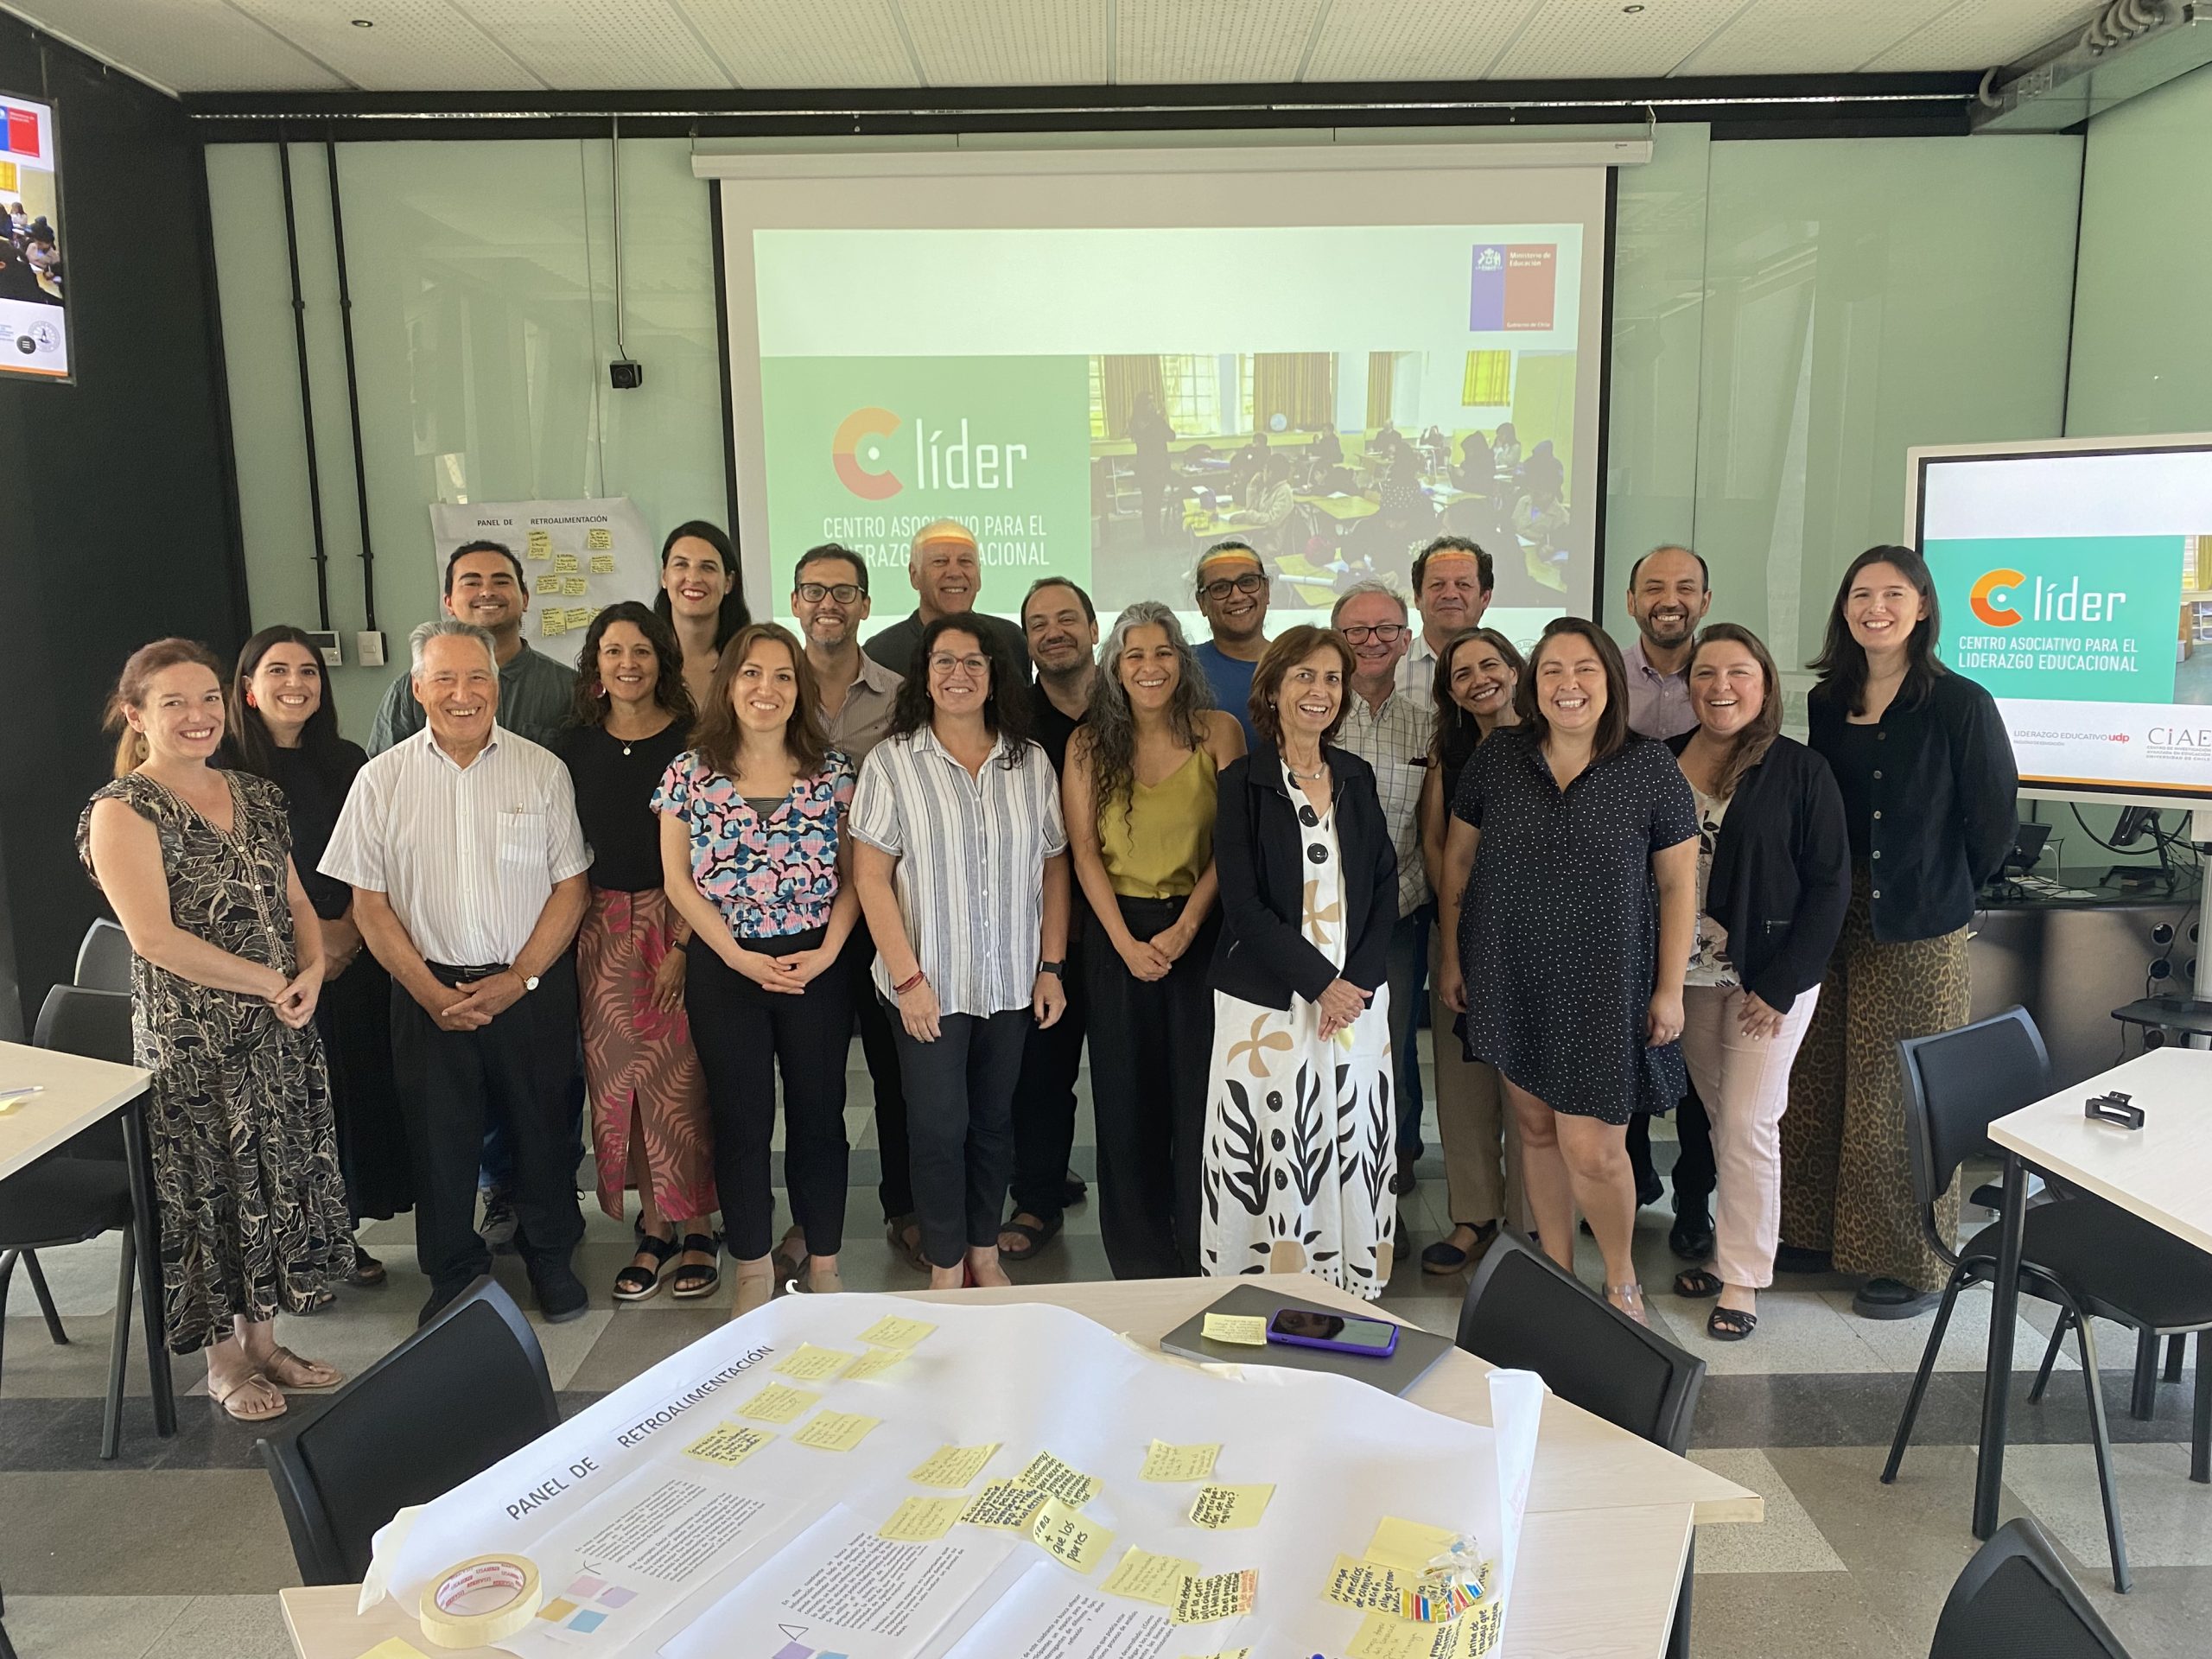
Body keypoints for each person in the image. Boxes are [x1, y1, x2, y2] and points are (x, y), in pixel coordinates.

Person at [81, 639, 350, 1421]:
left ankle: (265, 1340)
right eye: (174, 703)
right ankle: (225, 1362)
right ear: (138, 715)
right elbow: (153, 938)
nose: (198, 716)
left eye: (207, 699)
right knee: (210, 1191)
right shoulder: (122, 809)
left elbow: (295, 900)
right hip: (194, 1041)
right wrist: (270, 982)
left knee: (269, 1181)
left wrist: (307, 971)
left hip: (279, 1026)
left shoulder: (255, 794)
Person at [322, 620, 593, 1326]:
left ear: (497, 687)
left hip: (525, 987)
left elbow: (571, 888)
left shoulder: (542, 770)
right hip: (427, 990)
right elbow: (369, 903)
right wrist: (430, 992)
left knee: (541, 1130)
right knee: (440, 1141)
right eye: (444, 679)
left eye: (477, 678)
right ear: (417, 689)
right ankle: (454, 1272)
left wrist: (521, 978)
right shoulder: (381, 780)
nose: (462, 694)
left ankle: (551, 1255)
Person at [1437, 619, 1697, 1324]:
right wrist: (1455, 958)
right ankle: (1555, 1273)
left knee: (1595, 1149)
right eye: (1552, 670)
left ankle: (1619, 1281)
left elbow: (1677, 886)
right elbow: (1460, 861)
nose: (1568, 684)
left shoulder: (1649, 767)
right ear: (1533, 683)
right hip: (1510, 971)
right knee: (1536, 1131)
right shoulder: (1500, 759)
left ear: (1610, 680)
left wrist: (1670, 989)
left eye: (1584, 669)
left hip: (1605, 983)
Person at [1781, 546, 2017, 1319]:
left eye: (1892, 593)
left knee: (1895, 1090)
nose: (1873, 607)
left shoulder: (1961, 703)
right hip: (1833, 911)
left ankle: (1910, 1259)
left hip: (1920, 919)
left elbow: (1991, 825)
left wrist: (1942, 889)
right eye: (1859, 594)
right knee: (1815, 1075)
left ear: (1922, 606)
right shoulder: (1826, 700)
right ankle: (1811, 1231)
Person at [851, 617, 1071, 1289]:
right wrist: (908, 977)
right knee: (939, 1127)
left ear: (995, 674)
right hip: (928, 987)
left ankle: (984, 1250)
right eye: (943, 661)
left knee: (993, 1124)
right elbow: (870, 876)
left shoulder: (1028, 761)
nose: (958, 674)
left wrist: (1052, 966)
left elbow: (1055, 867)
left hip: (1008, 982)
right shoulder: (894, 762)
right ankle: (947, 1264)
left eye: (974, 662)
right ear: (924, 676)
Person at [658, 623, 859, 1315]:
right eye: (751, 673)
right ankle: (751, 1269)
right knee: (742, 1122)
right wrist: (738, 956)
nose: (765, 689)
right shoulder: (690, 772)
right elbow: (679, 883)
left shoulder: (834, 771)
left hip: (817, 963)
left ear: (799, 688)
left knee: (818, 1117)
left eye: (781, 675)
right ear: (729, 684)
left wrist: (829, 952)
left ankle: (824, 1265)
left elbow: (860, 875)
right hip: (725, 965)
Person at [1200, 627, 1399, 1299]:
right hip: (1269, 1003)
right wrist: (1320, 985)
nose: (1320, 691)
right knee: (1272, 1139)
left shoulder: (1356, 777)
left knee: (1346, 1131)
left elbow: (1383, 886)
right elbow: (1245, 904)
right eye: (1304, 677)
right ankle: (1264, 1277)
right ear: (1275, 688)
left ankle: (1348, 1279)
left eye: (1332, 679)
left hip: (1359, 1001)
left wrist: (1356, 987)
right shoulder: (1242, 783)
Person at [1666, 625, 1851, 1341]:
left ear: (1766, 685)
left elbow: (1831, 885)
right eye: (1707, 673)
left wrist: (1781, 985)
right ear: (1689, 687)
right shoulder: (1662, 763)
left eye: (1738, 673)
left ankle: (1742, 1279)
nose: (1721, 687)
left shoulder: (1800, 770)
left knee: (1747, 1121)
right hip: (1686, 979)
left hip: (1768, 980)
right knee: (1722, 1119)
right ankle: (1727, 1251)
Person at [222, 626, 410, 1289]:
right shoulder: (222, 771)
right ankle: (286, 1252)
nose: (295, 683)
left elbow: (377, 855)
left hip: (352, 957)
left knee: (343, 1101)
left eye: (307, 671)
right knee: (282, 1110)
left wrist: (348, 934)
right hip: (265, 968)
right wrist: (309, 948)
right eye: (277, 671)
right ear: (248, 688)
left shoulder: (349, 760)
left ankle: (339, 1237)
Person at [1066, 601, 1243, 1277]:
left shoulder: (1219, 733)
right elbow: (1083, 852)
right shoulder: (1088, 743)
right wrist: (1122, 940)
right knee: (1124, 1099)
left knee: (1199, 1098)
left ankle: (1200, 1247)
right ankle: (1138, 1261)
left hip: (1201, 932)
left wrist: (1187, 928)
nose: (1149, 666)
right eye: (1134, 654)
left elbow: (1233, 847)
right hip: (1118, 936)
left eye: (1163, 652)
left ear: (1183, 660)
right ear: (1114, 666)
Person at [554, 603, 717, 1303]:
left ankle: (701, 1226)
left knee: (683, 1084)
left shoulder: (696, 742)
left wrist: (682, 942)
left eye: (642, 651)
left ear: (662, 661)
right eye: (614, 652)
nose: (629, 664)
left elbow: (711, 851)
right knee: (620, 1086)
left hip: (678, 925)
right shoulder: (569, 748)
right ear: (596, 665)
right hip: (595, 930)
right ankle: (654, 1227)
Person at [791, 543, 920, 1268]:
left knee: (898, 1071)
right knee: (812, 1085)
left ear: (867, 605)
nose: (828, 604)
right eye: (814, 591)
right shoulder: (770, 689)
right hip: (800, 916)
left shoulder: (904, 698)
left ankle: (903, 1206)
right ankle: (812, 1225)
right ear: (795, 601)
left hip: (885, 912)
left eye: (843, 592)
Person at [1620, 545, 1720, 1260]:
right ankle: (1630, 1179)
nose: (1670, 598)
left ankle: (1694, 1201)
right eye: (1655, 587)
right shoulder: (1601, 674)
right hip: (1616, 900)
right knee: (1620, 1047)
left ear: (1704, 601)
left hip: (1701, 897)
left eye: (1685, 588)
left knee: (1696, 1071)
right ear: (1631, 602)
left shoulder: (1722, 677)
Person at [1415, 628, 1527, 1273]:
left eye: (1490, 664)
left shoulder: (1553, 743)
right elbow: (1437, 846)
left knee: (1528, 1087)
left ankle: (1529, 1226)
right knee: (1462, 1085)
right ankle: (1473, 1218)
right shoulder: (1450, 752)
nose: (1479, 679)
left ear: (1515, 669)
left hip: (1538, 947)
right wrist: (1460, 933)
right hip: (1459, 937)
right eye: (1462, 674)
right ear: (1450, 691)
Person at [1000, 578, 1101, 1262]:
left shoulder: (1137, 707)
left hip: (1134, 926)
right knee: (1040, 1072)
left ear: (1095, 629)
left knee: (1130, 1076)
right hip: (1039, 929)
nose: (1055, 631)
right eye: (1039, 623)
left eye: (1068, 618)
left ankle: (1138, 1190)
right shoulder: (1012, 722)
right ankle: (1037, 1196)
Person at [1330, 581, 1431, 1193]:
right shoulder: (1310, 715)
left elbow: (1434, 833)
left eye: (1386, 629)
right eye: (1357, 631)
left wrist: (1393, 900)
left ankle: (1389, 1171)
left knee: (1390, 1050)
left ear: (1406, 639)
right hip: (1313, 924)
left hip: (1397, 920)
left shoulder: (1429, 730)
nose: (1372, 641)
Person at [367, 541, 575, 753]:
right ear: (448, 602)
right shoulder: (410, 690)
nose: (486, 592)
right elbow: (384, 772)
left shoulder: (569, 688)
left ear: (525, 599)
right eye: (472, 583)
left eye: (501, 582)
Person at [862, 520, 1028, 677]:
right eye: (940, 562)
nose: (955, 573)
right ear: (914, 576)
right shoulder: (879, 654)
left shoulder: (1011, 641)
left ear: (978, 576)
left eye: (965, 561)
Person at [652, 519, 750, 711]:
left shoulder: (749, 657)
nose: (694, 578)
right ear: (664, 577)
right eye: (681, 564)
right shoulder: (642, 658)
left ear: (728, 582)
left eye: (708, 567)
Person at [1397, 538, 1494, 715]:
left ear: (1485, 598)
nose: (1450, 594)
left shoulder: (1511, 673)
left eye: (1463, 585)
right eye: (1437, 585)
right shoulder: (1391, 671)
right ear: (1417, 598)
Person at [1192, 542, 1271, 751]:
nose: (1237, 596)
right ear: (1202, 603)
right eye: (1220, 588)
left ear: (1267, 590)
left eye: (1248, 582)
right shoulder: (1180, 667)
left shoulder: (1301, 664)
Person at [1128, 391, 1175, 541]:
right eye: (1149, 402)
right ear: (1142, 405)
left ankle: (1155, 533)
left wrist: (1161, 421)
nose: (1152, 405)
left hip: (1160, 468)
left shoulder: (1156, 421)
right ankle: (1151, 534)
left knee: (1156, 502)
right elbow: (1146, 439)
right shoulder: (1137, 422)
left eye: (1153, 401)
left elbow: (1171, 436)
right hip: (1147, 469)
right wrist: (1158, 419)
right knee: (1149, 502)